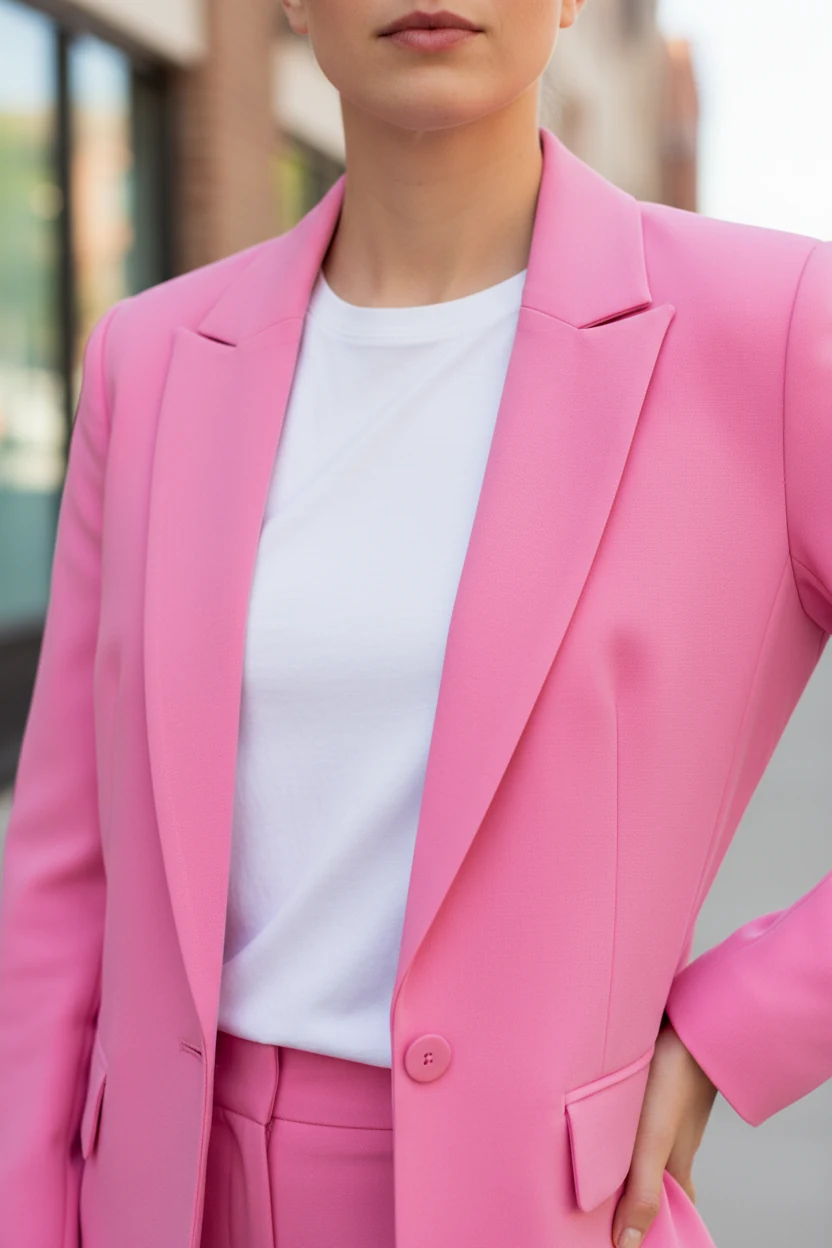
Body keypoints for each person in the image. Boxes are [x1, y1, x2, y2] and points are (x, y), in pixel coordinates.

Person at [1, 2, 831, 1247]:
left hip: (543, 1210)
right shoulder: (150, 357)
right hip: (155, 1202)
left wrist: (738, 1027)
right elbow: (65, 881)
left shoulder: (770, 329)